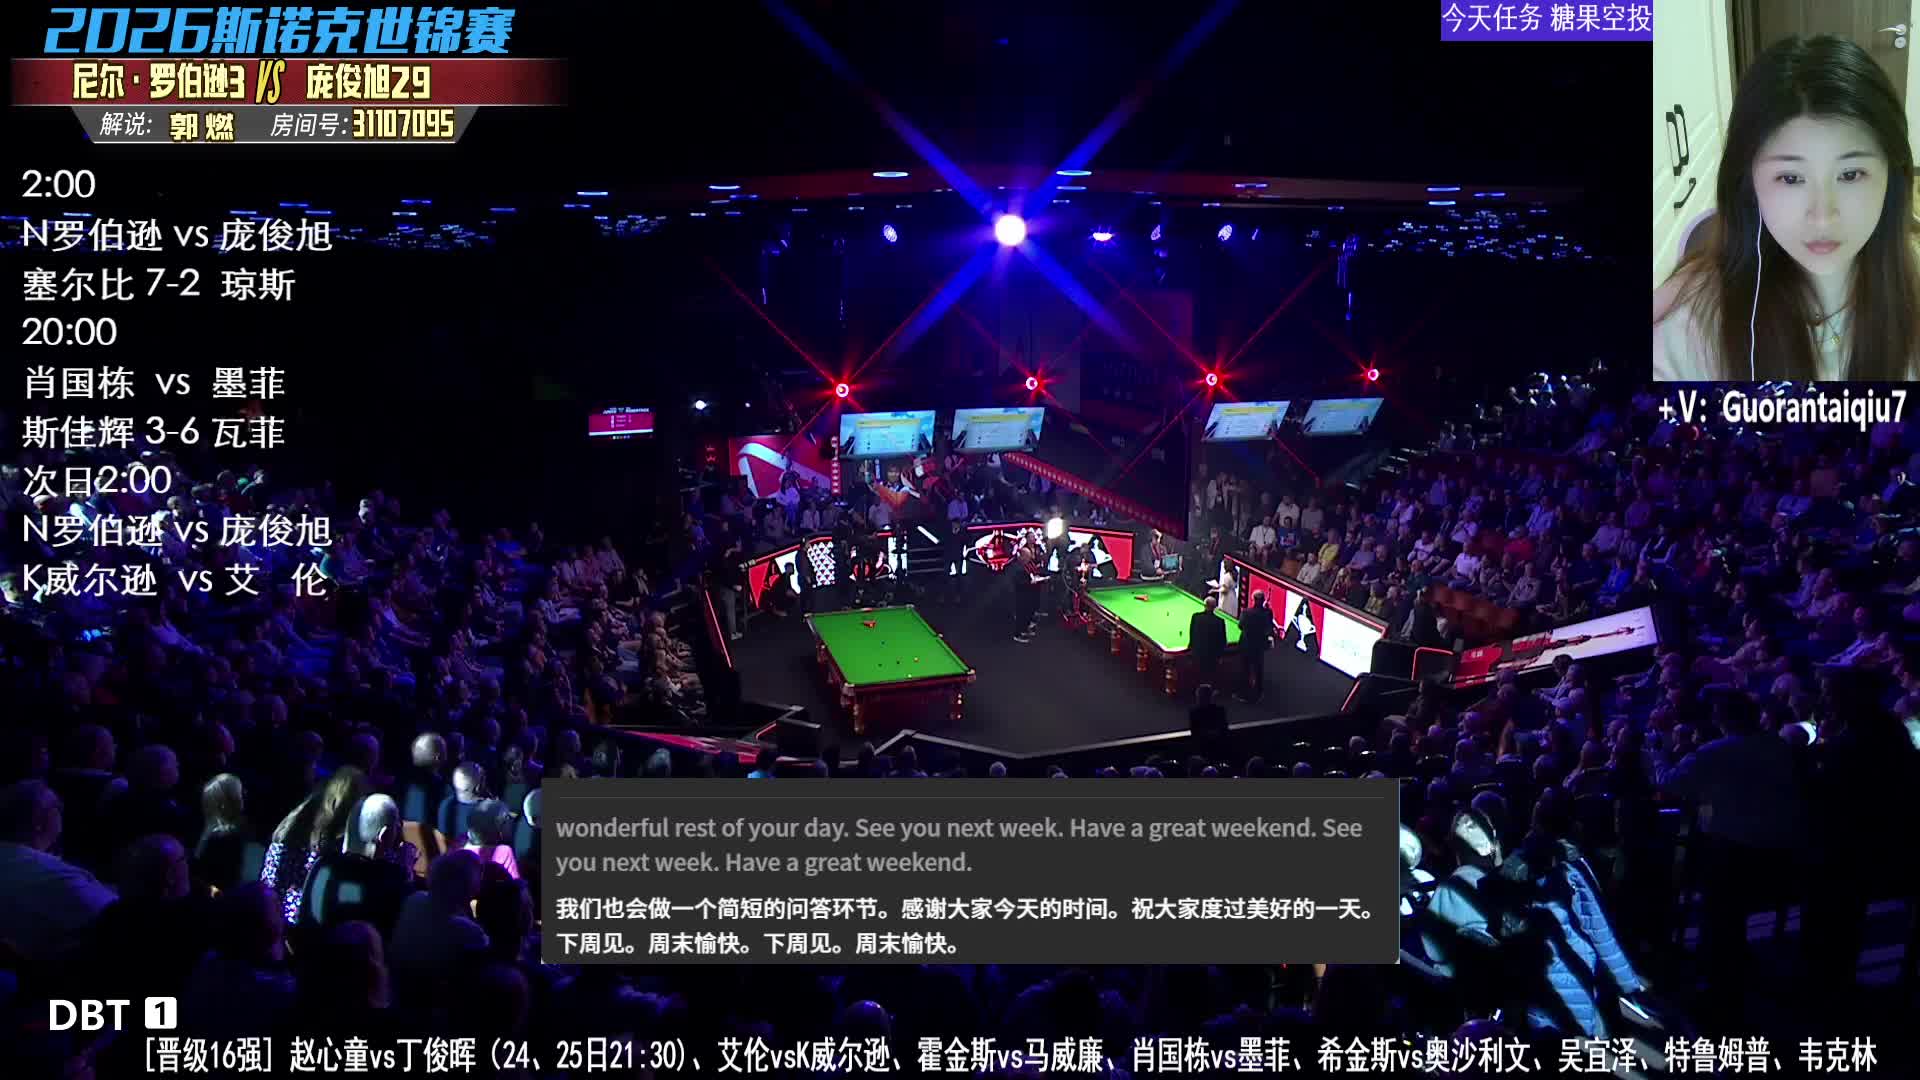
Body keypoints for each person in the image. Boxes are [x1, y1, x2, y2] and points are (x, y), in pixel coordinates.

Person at [1654, 35, 1920, 381]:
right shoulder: (1696, 326)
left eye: (1851, 174)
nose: (1823, 217)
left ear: (1892, 177)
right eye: (1791, 178)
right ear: (1748, 183)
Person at [298, 793, 416, 939]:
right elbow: (407, 923)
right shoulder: (390, 878)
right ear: (384, 835)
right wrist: (407, 870)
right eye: (397, 827)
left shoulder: (321, 865)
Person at [1238, 590, 1275, 703]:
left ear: (1253, 599)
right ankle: (1259, 693)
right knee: (1258, 668)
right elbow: (1269, 626)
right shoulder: (1268, 612)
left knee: (1245, 669)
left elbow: (1240, 626)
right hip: (1259, 645)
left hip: (1247, 644)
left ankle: (1244, 693)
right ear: (1263, 600)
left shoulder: (1246, 612)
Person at [1188, 593, 1229, 685]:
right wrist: (1220, 655)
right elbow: (1222, 641)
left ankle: (1198, 688)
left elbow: (1192, 634)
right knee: (1211, 677)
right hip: (1213, 656)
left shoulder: (1196, 617)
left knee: (1198, 676)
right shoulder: (1220, 621)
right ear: (1215, 607)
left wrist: (1191, 648)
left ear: (1204, 605)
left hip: (1198, 653)